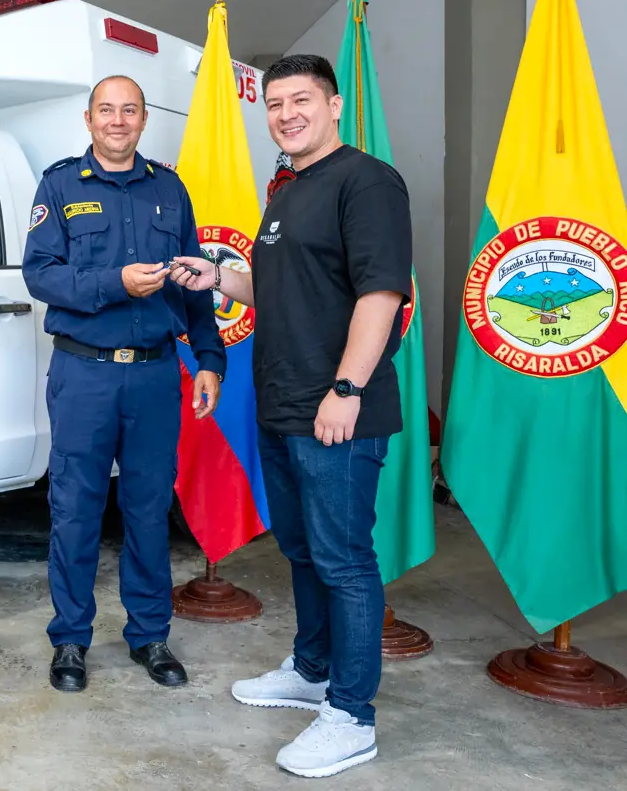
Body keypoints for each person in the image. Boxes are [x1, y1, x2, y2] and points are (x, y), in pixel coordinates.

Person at [169, 54, 412, 778]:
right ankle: (310, 670)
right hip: (281, 408)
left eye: (301, 100)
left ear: (334, 106)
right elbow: (280, 288)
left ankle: (352, 714)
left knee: (345, 560)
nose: (286, 114)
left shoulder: (365, 181)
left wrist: (347, 386)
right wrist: (220, 277)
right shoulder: (287, 190)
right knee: (303, 552)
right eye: (275, 104)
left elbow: (381, 294)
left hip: (335, 409)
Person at [22, 74, 226, 694]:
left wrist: (210, 358)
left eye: (129, 110)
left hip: (156, 375)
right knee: (76, 509)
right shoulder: (60, 185)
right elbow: (40, 274)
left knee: (146, 509)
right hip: (84, 374)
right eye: (105, 110)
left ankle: (149, 635)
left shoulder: (170, 188)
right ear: (88, 120)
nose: (117, 120)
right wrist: (115, 283)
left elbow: (192, 279)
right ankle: (70, 641)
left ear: (143, 120)